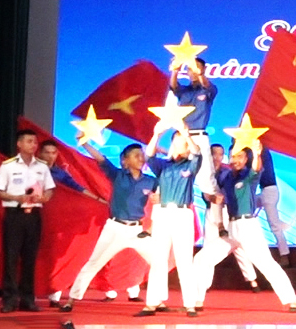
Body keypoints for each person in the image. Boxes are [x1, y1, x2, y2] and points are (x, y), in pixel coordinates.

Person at [196, 142, 296, 312]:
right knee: (202, 258)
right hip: (231, 228)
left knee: (266, 263)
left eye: (239, 157)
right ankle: (196, 301)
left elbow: (256, 169)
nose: (235, 160)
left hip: (248, 227)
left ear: (245, 159)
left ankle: (290, 300)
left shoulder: (249, 176)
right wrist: (212, 197)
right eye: (233, 156)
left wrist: (257, 154)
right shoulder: (227, 177)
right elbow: (210, 192)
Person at [59, 143, 157, 312]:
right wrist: (84, 143)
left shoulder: (151, 181)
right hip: (115, 228)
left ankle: (157, 301)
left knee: (158, 262)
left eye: (141, 155)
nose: (140, 158)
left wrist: (158, 199)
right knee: (94, 263)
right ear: (125, 160)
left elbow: (162, 197)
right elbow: (100, 159)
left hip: (137, 230)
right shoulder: (117, 175)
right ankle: (72, 300)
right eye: (135, 155)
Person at [138, 122, 203, 317]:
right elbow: (149, 156)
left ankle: (190, 304)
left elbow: (197, 153)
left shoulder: (191, 164)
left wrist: (187, 134)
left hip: (182, 213)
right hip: (163, 213)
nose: (182, 144)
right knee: (158, 259)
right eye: (178, 141)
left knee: (184, 260)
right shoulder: (163, 166)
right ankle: (152, 303)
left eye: (184, 142)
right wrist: (156, 134)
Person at [38, 140, 112, 307]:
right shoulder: (30, 170)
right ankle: (31, 292)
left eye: (53, 153)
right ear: (40, 153)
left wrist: (98, 200)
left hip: (54, 219)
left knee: (56, 255)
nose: (50, 156)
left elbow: (77, 188)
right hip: (33, 215)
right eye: (47, 152)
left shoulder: (60, 173)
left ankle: (54, 295)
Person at [0, 129, 56, 313]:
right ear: (19, 144)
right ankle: (10, 300)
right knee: (11, 258)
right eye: (29, 141)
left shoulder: (42, 166)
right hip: (14, 214)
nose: (33, 145)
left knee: (30, 258)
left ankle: (28, 300)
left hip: (34, 215)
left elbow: (50, 188)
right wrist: (17, 197)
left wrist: (45, 197)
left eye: (35, 142)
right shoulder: (8, 166)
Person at [191, 143, 259, 299]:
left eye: (220, 154)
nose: (217, 157)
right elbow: (206, 193)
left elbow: (226, 192)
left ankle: (252, 279)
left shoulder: (227, 172)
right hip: (211, 211)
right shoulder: (205, 172)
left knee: (238, 246)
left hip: (226, 211)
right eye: (214, 154)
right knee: (209, 246)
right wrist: (211, 197)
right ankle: (205, 284)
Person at [170, 56, 218, 210]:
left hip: (199, 136)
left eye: (196, 68)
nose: (193, 72)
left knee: (206, 176)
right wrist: (175, 71)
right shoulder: (184, 91)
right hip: (181, 137)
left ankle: (217, 213)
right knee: (172, 171)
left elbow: (207, 85)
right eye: (190, 69)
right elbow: (173, 86)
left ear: (204, 69)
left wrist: (200, 74)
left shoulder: (209, 90)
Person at [257, 144, 291, 267]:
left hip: (269, 191)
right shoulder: (260, 152)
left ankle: (284, 255)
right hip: (266, 191)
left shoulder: (260, 151)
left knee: (274, 225)